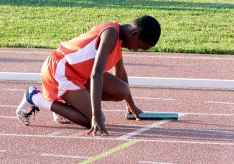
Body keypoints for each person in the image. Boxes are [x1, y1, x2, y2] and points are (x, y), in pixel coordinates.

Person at [16, 15, 161, 136]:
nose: (136, 50)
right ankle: (35, 97)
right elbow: (97, 73)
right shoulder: (111, 33)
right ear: (134, 34)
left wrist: (131, 105)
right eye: (139, 46)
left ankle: (70, 106)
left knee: (122, 91)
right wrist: (96, 115)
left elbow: (120, 72)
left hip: (79, 74)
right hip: (60, 70)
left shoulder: (120, 40)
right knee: (92, 120)